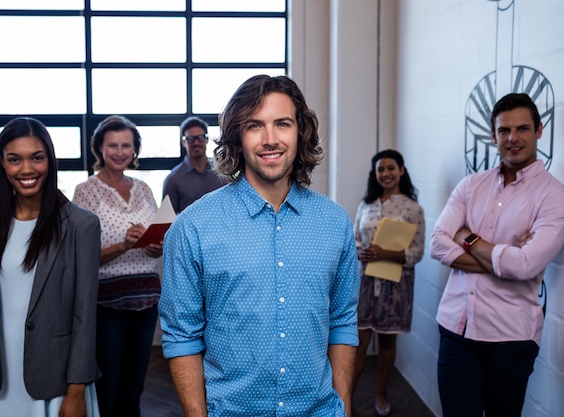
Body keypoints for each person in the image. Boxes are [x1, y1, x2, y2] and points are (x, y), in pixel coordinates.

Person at [159, 74, 360, 416]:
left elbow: (342, 322)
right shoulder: (192, 227)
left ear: (301, 132)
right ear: (237, 138)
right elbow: (182, 337)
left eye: (282, 124)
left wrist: (343, 407)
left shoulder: (335, 223)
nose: (270, 139)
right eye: (255, 125)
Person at [430, 93, 564, 417]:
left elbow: (525, 265)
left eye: (522, 128)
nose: (513, 138)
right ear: (494, 135)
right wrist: (504, 260)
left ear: (539, 130)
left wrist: (467, 237)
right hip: (456, 330)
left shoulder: (555, 198)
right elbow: (438, 244)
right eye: (504, 130)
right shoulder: (470, 186)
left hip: (511, 339)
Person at [0, 117, 101, 417]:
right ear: (2, 164)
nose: (27, 169)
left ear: (50, 160)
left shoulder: (81, 224)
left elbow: (85, 317)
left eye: (37, 158)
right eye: (15, 159)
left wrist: (76, 391)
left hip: (55, 382)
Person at [72, 115, 163, 417]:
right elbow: (82, 256)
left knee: (135, 385)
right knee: (108, 385)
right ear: (99, 147)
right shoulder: (86, 191)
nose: (120, 152)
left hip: (147, 297)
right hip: (106, 301)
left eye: (127, 145)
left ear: (135, 150)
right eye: (112, 145)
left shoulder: (144, 189)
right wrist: (123, 245)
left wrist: (154, 247)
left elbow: (153, 250)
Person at [352, 149, 425, 416]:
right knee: (358, 340)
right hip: (366, 281)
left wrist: (386, 253)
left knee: (386, 342)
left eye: (391, 168)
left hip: (396, 285)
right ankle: (347, 397)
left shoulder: (412, 209)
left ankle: (381, 393)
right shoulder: (366, 205)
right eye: (381, 169)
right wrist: (361, 250)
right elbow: (355, 239)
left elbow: (417, 252)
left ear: (401, 171)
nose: (386, 174)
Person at [162, 116, 225, 213]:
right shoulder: (173, 179)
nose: (196, 143)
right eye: (190, 139)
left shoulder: (221, 171)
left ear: (207, 139)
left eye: (200, 138)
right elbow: (167, 219)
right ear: (184, 142)